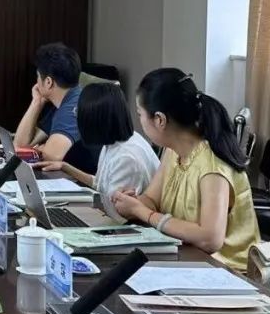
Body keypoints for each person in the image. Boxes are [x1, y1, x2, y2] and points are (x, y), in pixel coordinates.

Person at [111, 68, 259, 271]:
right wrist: (132, 203)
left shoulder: (212, 166)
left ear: (160, 120)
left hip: (225, 270)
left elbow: (210, 239)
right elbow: (152, 199)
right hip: (188, 259)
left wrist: (143, 213)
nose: (140, 121)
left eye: (140, 114)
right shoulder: (173, 151)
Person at [38, 82, 159, 221]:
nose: (76, 116)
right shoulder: (115, 141)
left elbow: (116, 215)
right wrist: (65, 167)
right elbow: (100, 185)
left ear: (95, 119)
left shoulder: (126, 158)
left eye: (78, 112)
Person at [14, 42, 83, 162]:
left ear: (48, 82)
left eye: (38, 76)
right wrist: (37, 102)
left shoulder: (73, 107)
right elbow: (20, 146)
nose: (36, 82)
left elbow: (52, 155)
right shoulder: (62, 102)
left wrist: (43, 149)